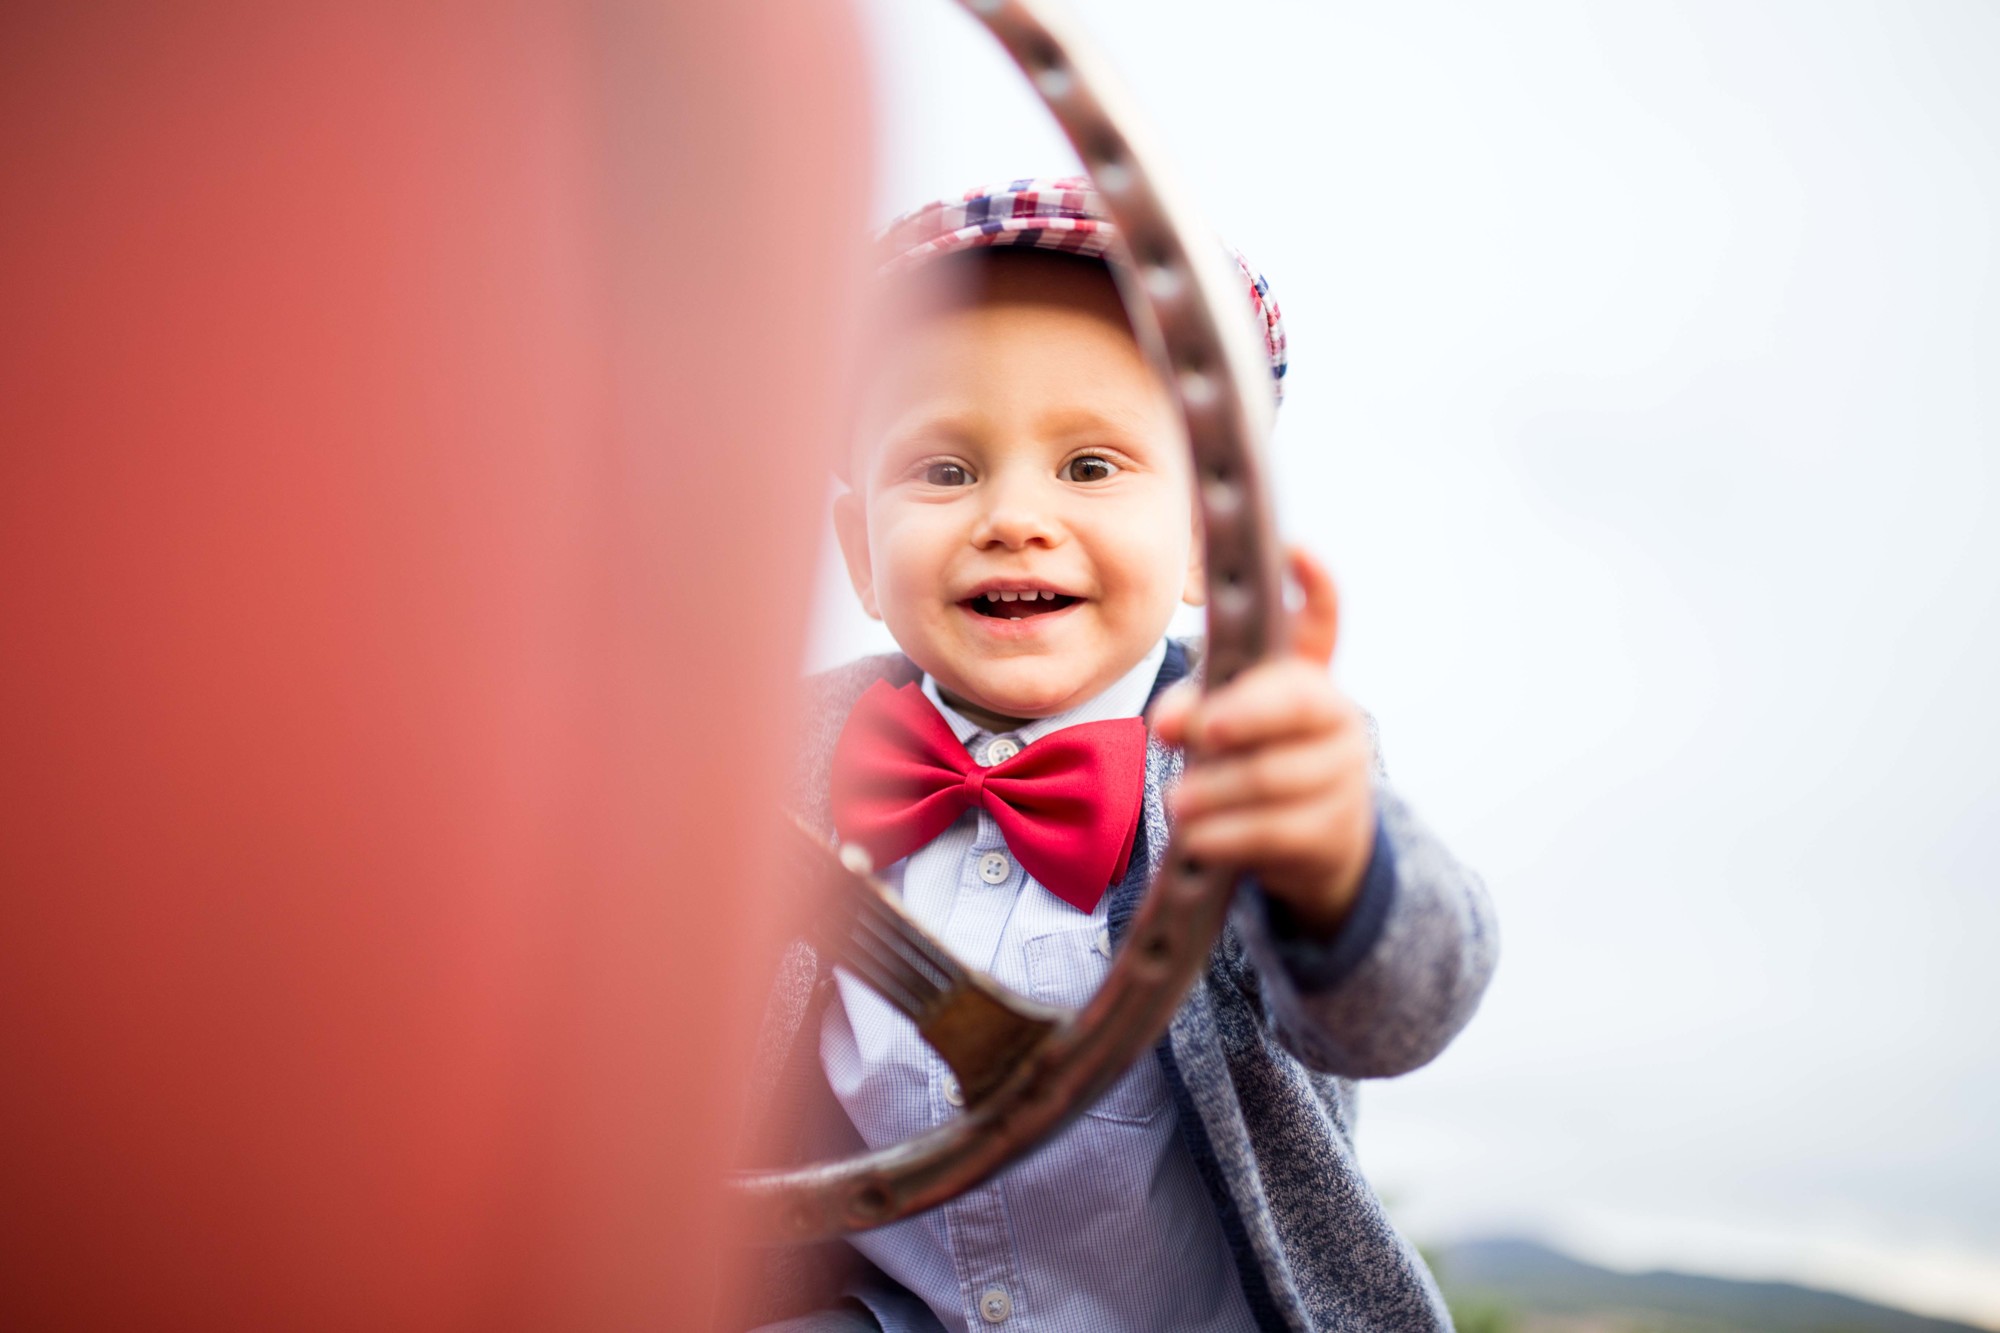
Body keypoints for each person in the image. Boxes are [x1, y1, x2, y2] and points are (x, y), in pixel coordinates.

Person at [738, 178, 1498, 1332]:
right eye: (942, 470)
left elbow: (1395, 1012)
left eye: (1089, 466)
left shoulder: (1253, 755)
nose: (1011, 517)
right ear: (859, 552)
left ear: (1203, 540)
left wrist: (1339, 868)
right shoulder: (781, 755)